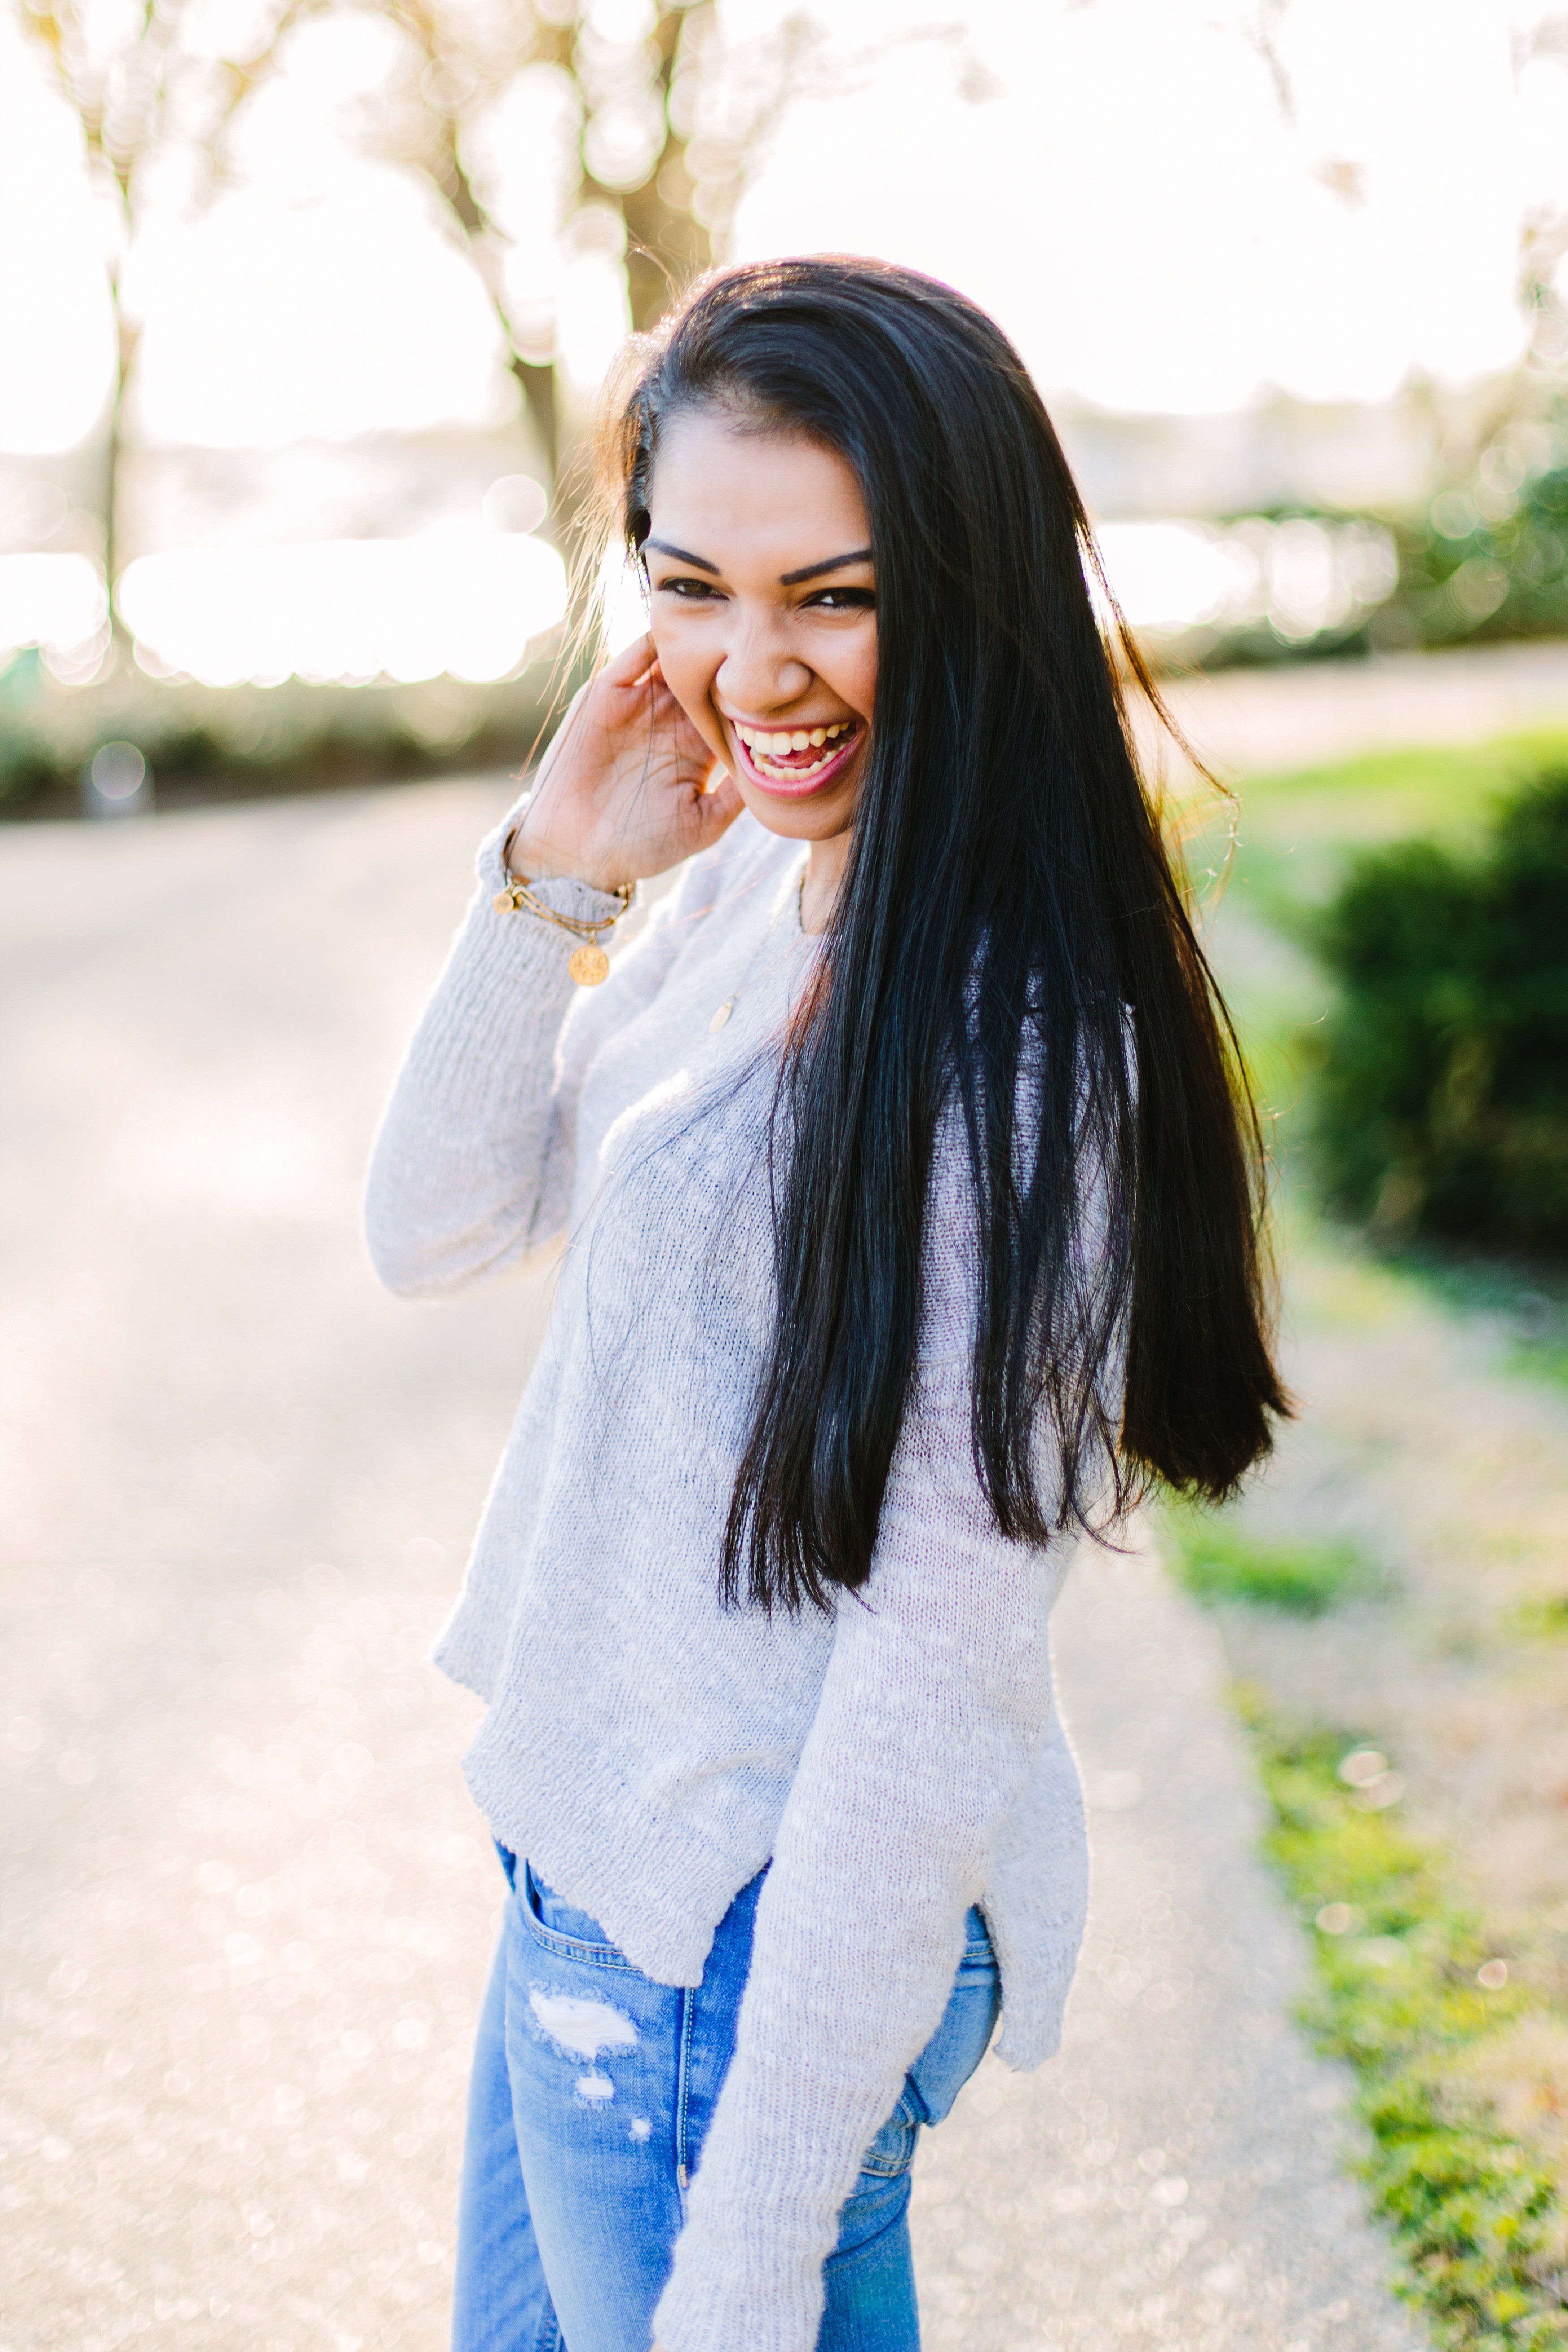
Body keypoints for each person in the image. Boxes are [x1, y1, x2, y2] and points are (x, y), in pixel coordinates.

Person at [365, 255, 1288, 2352]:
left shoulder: (1005, 1053)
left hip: (723, 1973)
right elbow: (428, 1225)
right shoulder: (744, 894)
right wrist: (552, 870)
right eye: (688, 583)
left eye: (832, 595)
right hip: (582, 1883)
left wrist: (756, 2238)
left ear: (973, 593)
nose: (746, 668)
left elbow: (926, 1690)